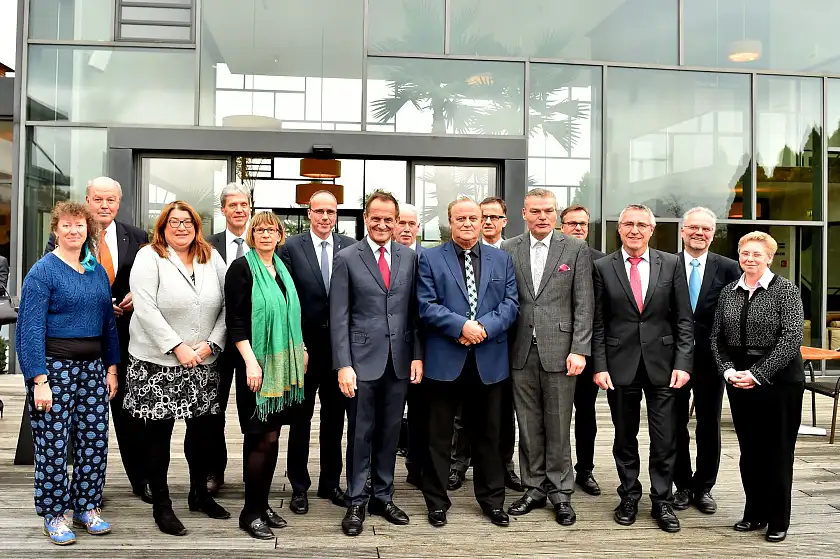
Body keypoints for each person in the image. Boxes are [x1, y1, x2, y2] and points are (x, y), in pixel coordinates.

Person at [124, 201, 229, 536]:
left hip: (203, 361)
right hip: (158, 363)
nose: (181, 227)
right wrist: (177, 346)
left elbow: (230, 304)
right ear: (163, 226)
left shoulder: (211, 256)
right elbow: (145, 307)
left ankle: (199, 494)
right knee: (159, 438)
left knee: (202, 436)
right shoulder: (149, 256)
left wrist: (213, 342)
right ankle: (163, 506)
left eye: (188, 222)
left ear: (196, 226)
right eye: (174, 222)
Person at [16, 201, 118, 545]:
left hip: (93, 368)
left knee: (94, 441)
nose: (74, 231)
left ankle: (88, 507)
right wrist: (38, 380)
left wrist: (112, 368)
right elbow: (29, 330)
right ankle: (54, 513)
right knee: (54, 445)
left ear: (88, 229)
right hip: (54, 370)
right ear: (55, 230)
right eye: (67, 226)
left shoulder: (96, 271)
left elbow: (108, 324)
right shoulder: (42, 271)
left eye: (79, 225)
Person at [45, 177, 151, 503]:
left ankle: (141, 479)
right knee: (80, 416)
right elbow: (58, 281)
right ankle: (85, 489)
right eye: (98, 199)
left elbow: (150, 275)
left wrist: (139, 294)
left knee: (129, 414)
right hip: (81, 339)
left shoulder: (137, 237)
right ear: (87, 200)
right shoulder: (69, 236)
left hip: (128, 338)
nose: (105, 206)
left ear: (119, 203)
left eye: (111, 200)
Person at [417, 197, 519, 528]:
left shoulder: (502, 260)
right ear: (449, 222)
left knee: (489, 436)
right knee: (439, 436)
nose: (467, 223)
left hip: (489, 361)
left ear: (482, 221)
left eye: (473, 218)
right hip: (445, 360)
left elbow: (510, 304)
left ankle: (492, 500)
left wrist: (482, 329)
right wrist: (460, 326)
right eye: (459, 218)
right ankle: (436, 502)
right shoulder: (430, 258)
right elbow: (426, 305)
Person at [592, 203, 693, 533]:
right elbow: (598, 322)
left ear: (652, 230)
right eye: (628, 224)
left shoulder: (672, 264)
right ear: (619, 229)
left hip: (663, 367)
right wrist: (600, 365)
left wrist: (683, 363)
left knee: (664, 439)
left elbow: (683, 320)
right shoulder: (603, 267)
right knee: (624, 436)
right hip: (619, 366)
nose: (635, 230)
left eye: (641, 225)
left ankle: (662, 500)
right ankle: (629, 495)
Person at [331, 190, 423, 537]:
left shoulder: (408, 258)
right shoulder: (348, 257)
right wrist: (343, 364)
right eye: (377, 218)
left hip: (398, 361)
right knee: (360, 432)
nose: (383, 224)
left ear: (397, 221)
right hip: (360, 362)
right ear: (366, 218)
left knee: (389, 433)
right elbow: (339, 316)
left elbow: (414, 313)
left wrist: (416, 355)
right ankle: (357, 498)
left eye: (390, 219)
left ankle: (383, 496)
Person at [503, 190, 593, 526]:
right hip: (520, 349)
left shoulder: (575, 248)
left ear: (556, 215)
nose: (543, 217)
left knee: (558, 424)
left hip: (561, 350)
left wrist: (580, 349)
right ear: (524, 213)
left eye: (549, 211)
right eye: (536, 211)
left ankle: (561, 492)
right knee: (527, 425)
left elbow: (584, 304)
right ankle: (533, 487)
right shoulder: (509, 248)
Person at [711, 231, 805, 543]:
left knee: (777, 452)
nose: (750, 259)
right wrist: (727, 370)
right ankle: (754, 513)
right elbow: (716, 338)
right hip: (739, 380)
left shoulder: (786, 291)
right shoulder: (729, 292)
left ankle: (778, 519)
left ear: (769, 257)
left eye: (756, 254)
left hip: (779, 383)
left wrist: (757, 373)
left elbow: (791, 339)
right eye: (745, 253)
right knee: (750, 452)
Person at [225, 212, 308, 539]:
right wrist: (251, 362)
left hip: (283, 367)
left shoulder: (282, 270)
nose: (265, 234)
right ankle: (250, 512)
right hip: (257, 370)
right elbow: (236, 321)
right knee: (261, 437)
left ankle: (260, 502)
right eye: (259, 229)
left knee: (271, 439)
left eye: (271, 229)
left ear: (280, 234)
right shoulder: (242, 269)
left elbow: (292, 314)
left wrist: (301, 348)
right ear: (251, 234)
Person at [279, 190, 355, 514]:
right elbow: (286, 301)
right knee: (300, 420)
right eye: (319, 210)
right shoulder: (291, 248)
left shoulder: (351, 248)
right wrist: (300, 345)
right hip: (304, 352)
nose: (325, 217)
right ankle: (298, 487)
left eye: (331, 211)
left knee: (334, 420)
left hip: (339, 353)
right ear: (308, 213)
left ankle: (330, 483)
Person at [449, 196, 522, 493]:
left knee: (502, 415)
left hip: (503, 347)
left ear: (504, 221)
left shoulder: (511, 252)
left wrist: (484, 329)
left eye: (494, 217)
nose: (488, 221)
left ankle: (504, 465)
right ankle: (458, 464)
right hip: (461, 346)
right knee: (461, 413)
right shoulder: (451, 253)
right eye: (485, 216)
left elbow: (512, 302)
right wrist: (466, 329)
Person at [673, 208, 740, 514]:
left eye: (706, 229)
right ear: (682, 231)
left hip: (712, 360)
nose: (699, 233)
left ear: (714, 234)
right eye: (693, 228)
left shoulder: (728, 268)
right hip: (673, 358)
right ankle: (682, 485)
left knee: (708, 423)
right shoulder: (667, 265)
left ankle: (704, 487)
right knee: (674, 423)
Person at [205, 182, 253, 496]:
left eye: (243, 205)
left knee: (253, 412)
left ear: (250, 209)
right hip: (217, 343)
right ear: (223, 210)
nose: (238, 210)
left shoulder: (264, 244)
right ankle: (214, 472)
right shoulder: (206, 246)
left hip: (252, 344)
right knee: (213, 411)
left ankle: (254, 473)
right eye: (232, 205)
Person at [560, 204, 606, 496]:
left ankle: (585, 470)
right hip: (552, 349)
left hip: (586, 351)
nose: (578, 228)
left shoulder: (600, 262)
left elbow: (600, 310)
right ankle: (556, 469)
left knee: (585, 412)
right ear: (561, 226)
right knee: (555, 415)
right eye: (572, 223)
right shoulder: (553, 257)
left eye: (583, 224)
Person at [392, 203, 426, 489]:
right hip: (389, 351)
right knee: (387, 416)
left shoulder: (432, 257)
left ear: (418, 227)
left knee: (421, 415)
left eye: (410, 223)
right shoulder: (381, 257)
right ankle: (380, 473)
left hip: (425, 351)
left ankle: (417, 469)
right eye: (400, 222)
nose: (405, 228)